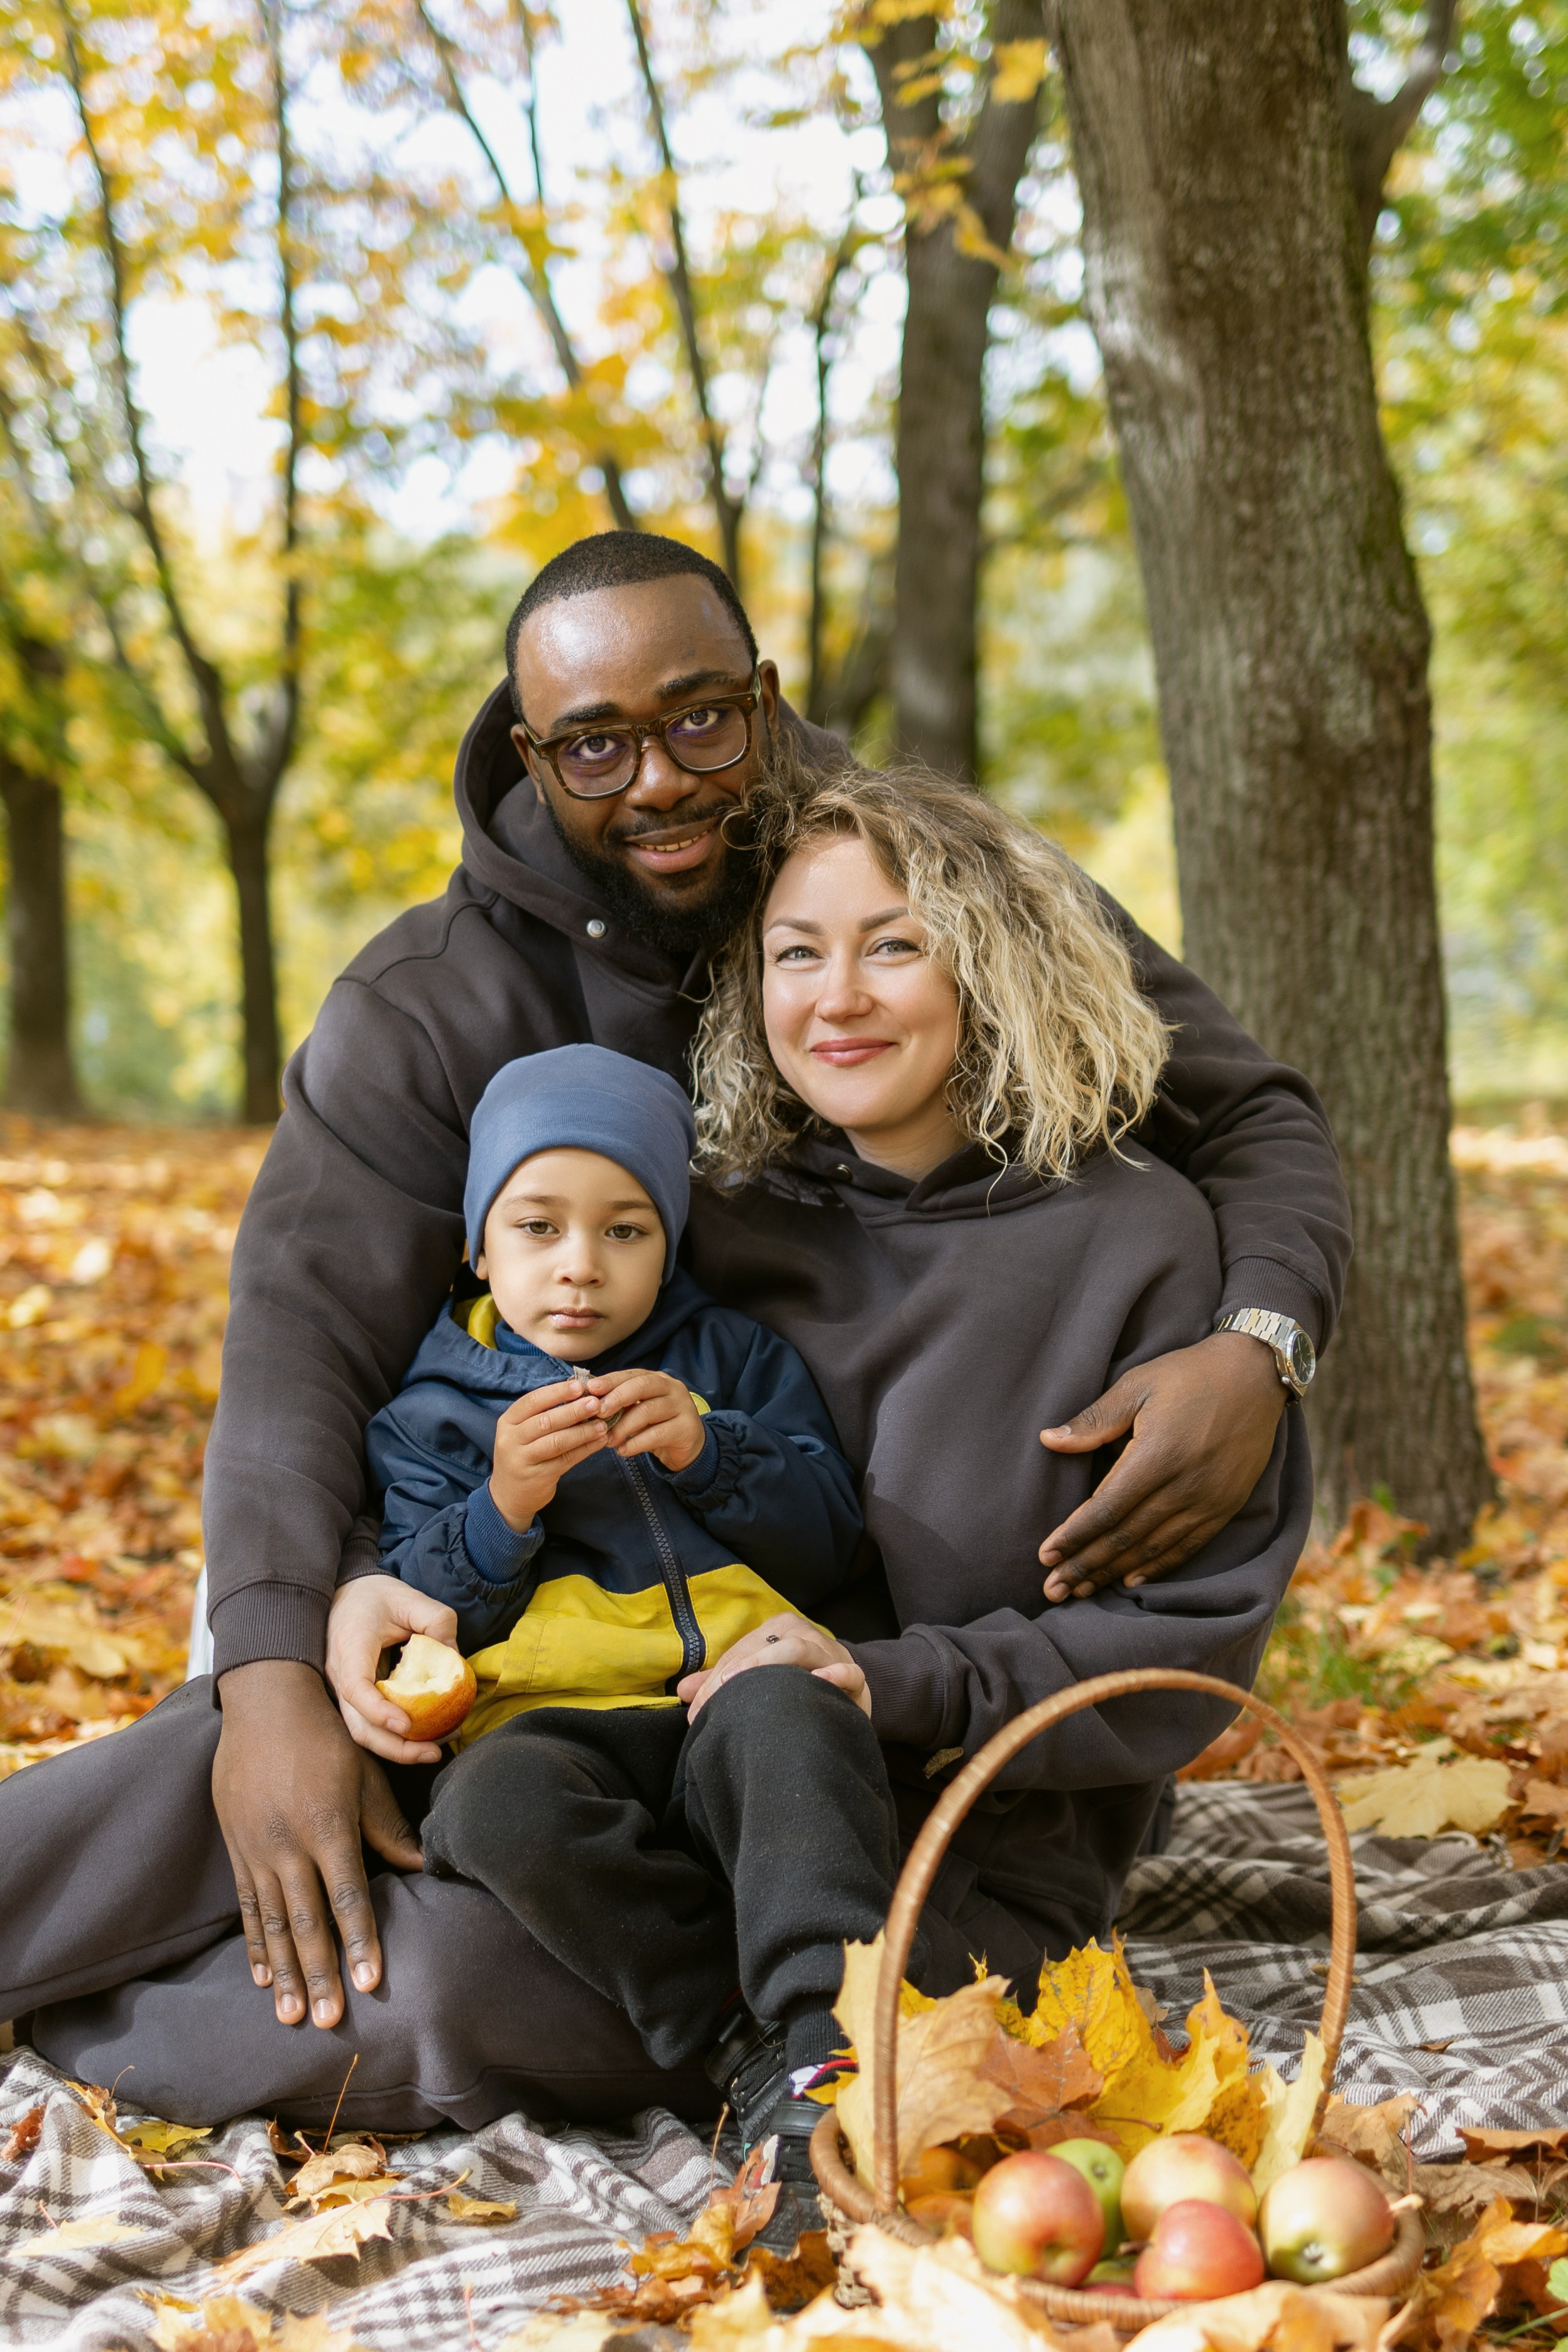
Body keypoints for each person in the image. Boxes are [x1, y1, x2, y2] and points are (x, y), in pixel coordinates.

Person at [0, 528, 1348, 2133]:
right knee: (231, 1758)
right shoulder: (463, 1023)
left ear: (766, 702)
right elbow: (301, 1346)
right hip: (568, 1671)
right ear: (532, 752)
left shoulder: (933, 884)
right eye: (596, 743)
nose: (660, 778)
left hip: (860, 1758)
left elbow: (1250, 1111)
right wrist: (282, 1660)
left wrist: (1258, 1336)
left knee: (428, 1986)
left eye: (705, 718)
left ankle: (116, 2030)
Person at [675, 746, 1312, 1982]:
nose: (837, 997)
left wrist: (883, 1683)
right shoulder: (710, 1224)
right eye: (796, 952)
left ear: (992, 963)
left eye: (894, 945)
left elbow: (1179, 1650)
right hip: (694, 1803)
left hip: (990, 1851)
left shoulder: (1138, 1235)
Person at [355, 1040, 889, 2159]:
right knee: (489, 1810)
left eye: (625, 1230)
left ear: (671, 1243)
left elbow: (831, 1540)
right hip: (548, 1733)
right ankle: (740, 2044)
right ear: (476, 1243)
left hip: (723, 1700)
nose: (580, 1267)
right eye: (538, 1227)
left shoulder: (730, 1360)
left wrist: (715, 1452)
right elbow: (419, 1619)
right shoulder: (431, 1414)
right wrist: (502, 1507)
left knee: (798, 1720)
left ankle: (832, 2050)